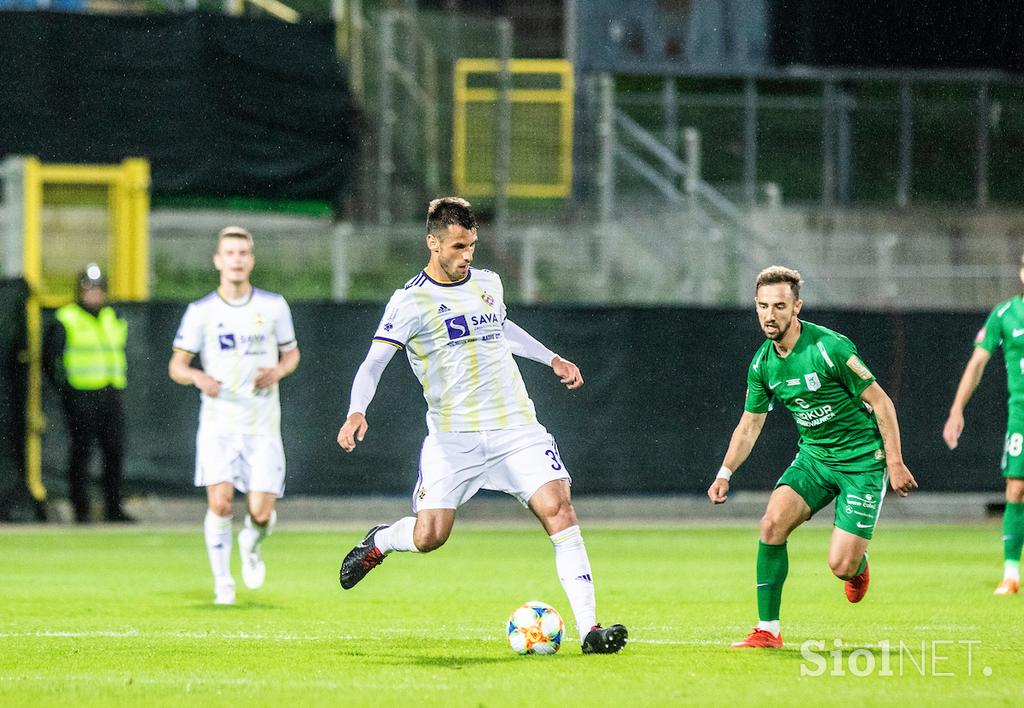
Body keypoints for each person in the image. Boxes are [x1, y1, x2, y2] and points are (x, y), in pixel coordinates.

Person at [336, 197, 627, 654]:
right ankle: (382, 540)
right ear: (432, 243)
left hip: (517, 428)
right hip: (455, 439)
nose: (467, 255)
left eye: (472, 245)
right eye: (457, 246)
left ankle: (591, 630)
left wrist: (550, 357)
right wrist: (357, 411)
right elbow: (373, 364)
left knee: (560, 510)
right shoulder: (410, 302)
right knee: (430, 535)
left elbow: (501, 327)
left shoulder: (488, 282)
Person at [707, 265, 917, 649]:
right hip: (815, 458)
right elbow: (750, 425)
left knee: (840, 566)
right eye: (763, 306)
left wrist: (895, 461)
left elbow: (881, 403)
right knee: (771, 525)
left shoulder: (830, 348)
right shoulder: (762, 364)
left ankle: (857, 568)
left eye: (779, 306)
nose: (770, 315)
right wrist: (725, 472)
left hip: (861, 463)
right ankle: (767, 630)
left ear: (796, 307)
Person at [168, 226, 300, 605]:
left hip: (261, 426)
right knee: (221, 503)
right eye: (230, 253)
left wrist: (278, 370)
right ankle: (223, 581)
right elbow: (177, 365)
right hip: (219, 424)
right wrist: (196, 376)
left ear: (251, 260)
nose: (237, 259)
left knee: (260, 512)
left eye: (243, 253)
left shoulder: (273, 307)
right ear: (218, 261)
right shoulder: (202, 312)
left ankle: (252, 543)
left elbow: (291, 353)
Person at [943, 255, 1024, 595]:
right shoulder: (1005, 314)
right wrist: (957, 409)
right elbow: (978, 362)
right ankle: (1011, 574)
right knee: (1016, 489)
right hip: (1021, 414)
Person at [44, 263, 133, 524]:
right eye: (89, 288)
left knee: (114, 451)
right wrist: (65, 388)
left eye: (98, 289)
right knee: (82, 452)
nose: (94, 294)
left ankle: (113, 508)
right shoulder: (66, 318)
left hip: (110, 392)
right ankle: (81, 510)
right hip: (81, 395)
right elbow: (51, 359)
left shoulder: (112, 316)